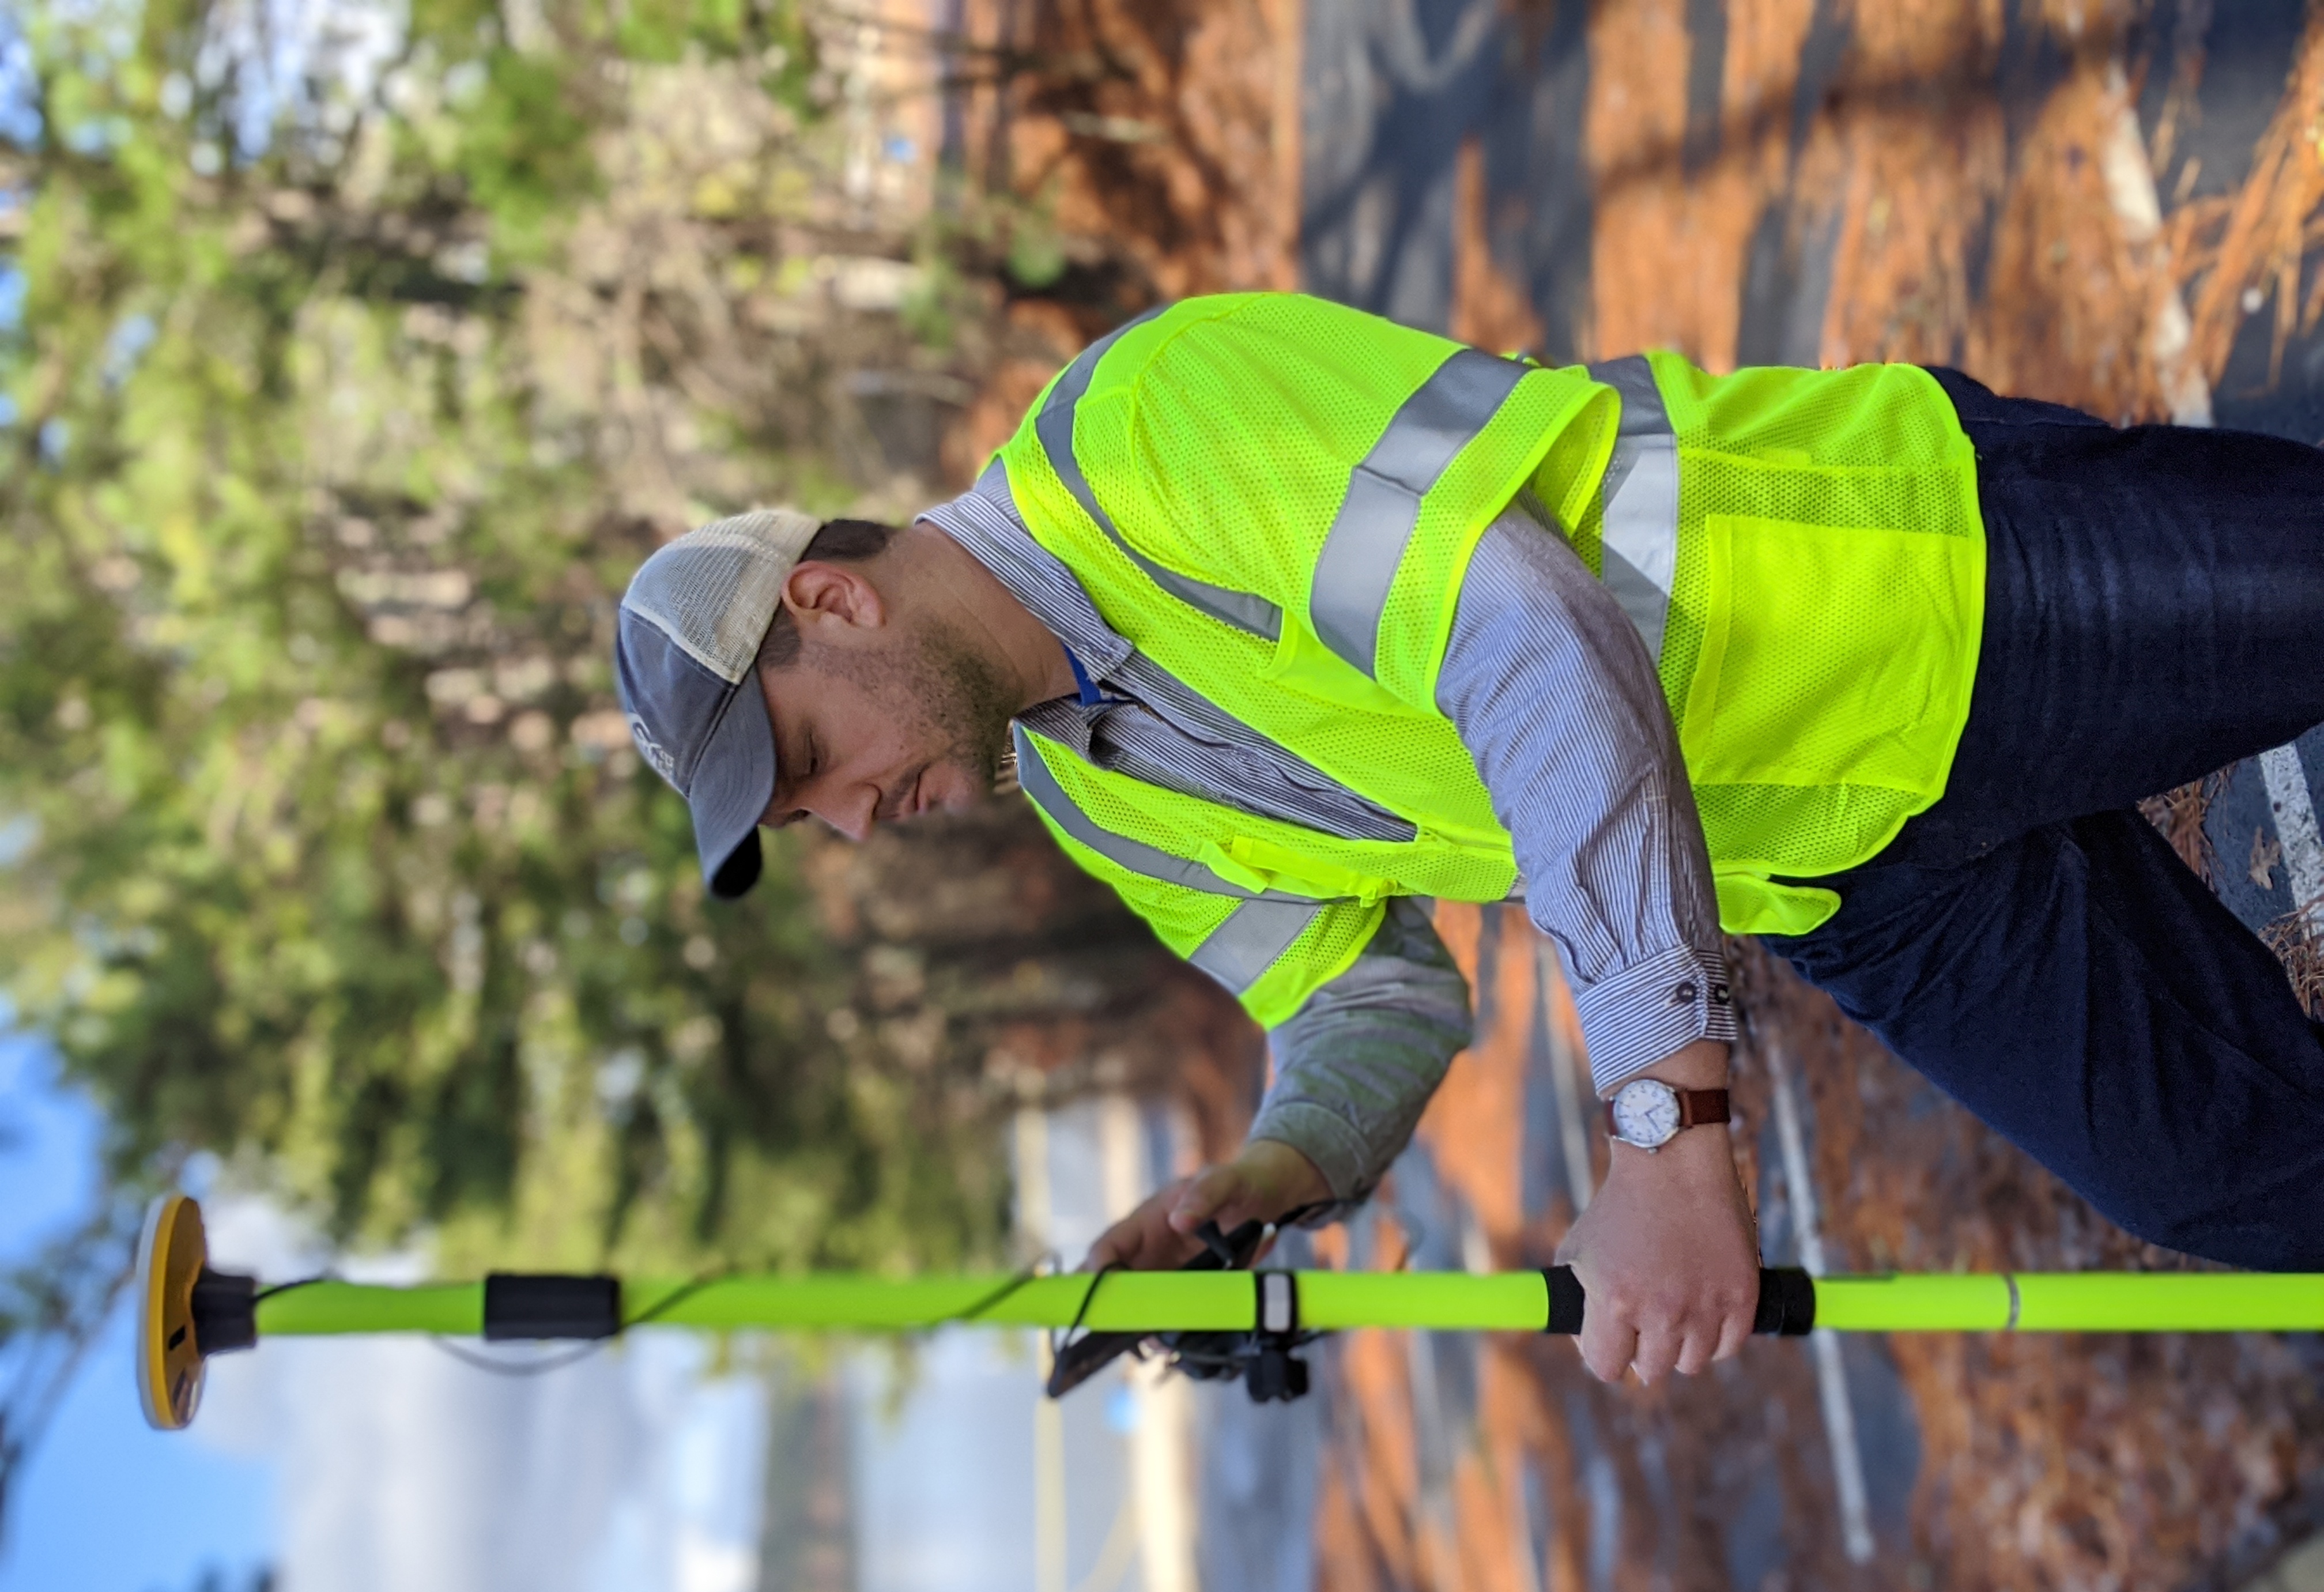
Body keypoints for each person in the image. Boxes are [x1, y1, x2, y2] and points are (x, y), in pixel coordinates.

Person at [612, 291, 2324, 1387]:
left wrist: (1664, 1127)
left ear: (830, 600)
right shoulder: (1088, 787)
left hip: (1922, 593)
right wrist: (1264, 1179)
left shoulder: (1141, 434)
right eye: (803, 824)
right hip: (1846, 876)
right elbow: (1369, 1001)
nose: (846, 824)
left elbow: (1523, 632)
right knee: (2235, 1174)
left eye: (814, 761)